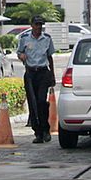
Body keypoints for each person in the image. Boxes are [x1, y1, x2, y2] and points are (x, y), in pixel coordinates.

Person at [17, 15, 56, 143]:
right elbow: (19, 52)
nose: (39, 27)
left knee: (41, 101)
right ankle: (37, 132)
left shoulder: (47, 39)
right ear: (32, 25)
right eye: (36, 24)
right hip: (30, 73)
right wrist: (21, 55)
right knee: (32, 103)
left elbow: (50, 57)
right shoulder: (24, 38)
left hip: (43, 73)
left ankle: (46, 129)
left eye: (40, 25)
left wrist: (52, 75)